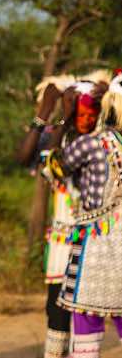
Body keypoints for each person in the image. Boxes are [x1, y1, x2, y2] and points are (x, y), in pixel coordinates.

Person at [17, 72, 109, 358]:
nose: (74, 104)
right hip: (61, 240)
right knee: (55, 309)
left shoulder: (100, 140)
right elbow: (24, 157)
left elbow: (57, 165)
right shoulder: (58, 135)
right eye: (70, 99)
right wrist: (46, 111)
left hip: (93, 238)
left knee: (86, 312)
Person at [46, 71, 122, 358]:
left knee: (86, 332)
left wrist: (64, 121)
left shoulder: (93, 143)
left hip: (96, 249)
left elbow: (53, 167)